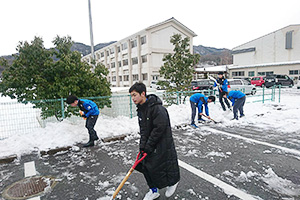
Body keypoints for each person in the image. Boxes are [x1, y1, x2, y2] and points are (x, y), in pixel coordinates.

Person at [129, 82, 180, 200]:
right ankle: (154, 190)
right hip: (150, 143)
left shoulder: (157, 108)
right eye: (131, 96)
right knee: (145, 166)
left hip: (162, 142)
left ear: (143, 94)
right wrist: (143, 146)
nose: (133, 98)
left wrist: (149, 145)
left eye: (135, 95)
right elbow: (144, 130)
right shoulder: (141, 109)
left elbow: (159, 128)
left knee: (166, 164)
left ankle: (173, 182)